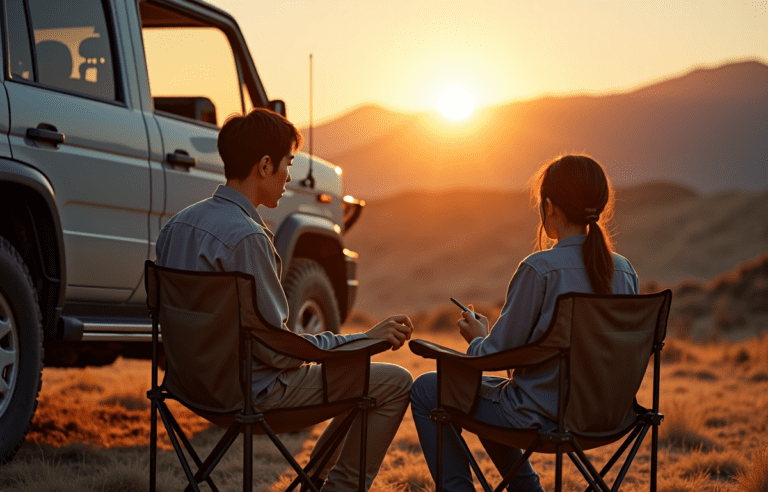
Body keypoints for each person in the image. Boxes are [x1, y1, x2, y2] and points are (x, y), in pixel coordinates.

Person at [156, 108, 414, 491]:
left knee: (359, 373)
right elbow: (277, 350)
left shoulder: (176, 227)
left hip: (187, 388)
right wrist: (363, 341)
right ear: (264, 166)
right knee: (393, 381)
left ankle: (316, 479)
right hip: (254, 395)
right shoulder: (249, 238)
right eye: (287, 164)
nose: (289, 177)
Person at [410, 154, 640, 491]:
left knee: (429, 389)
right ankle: (526, 489)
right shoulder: (625, 271)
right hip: (613, 416)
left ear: (550, 207)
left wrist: (478, 338)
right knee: (492, 393)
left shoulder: (540, 270)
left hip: (541, 416)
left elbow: (497, 353)